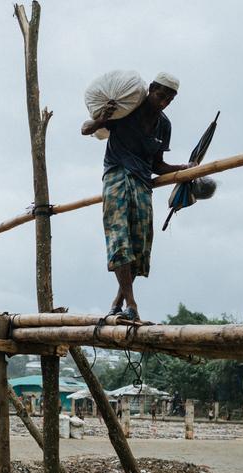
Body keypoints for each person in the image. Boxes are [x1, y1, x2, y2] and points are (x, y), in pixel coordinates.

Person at [81, 72, 194, 321]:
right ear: (151, 89)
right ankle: (132, 304)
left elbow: (158, 165)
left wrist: (184, 169)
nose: (163, 102)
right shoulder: (127, 110)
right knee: (120, 239)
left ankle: (118, 304)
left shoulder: (164, 125)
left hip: (143, 184)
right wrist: (103, 118)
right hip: (117, 176)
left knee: (138, 246)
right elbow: (85, 129)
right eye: (160, 95)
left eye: (169, 99)